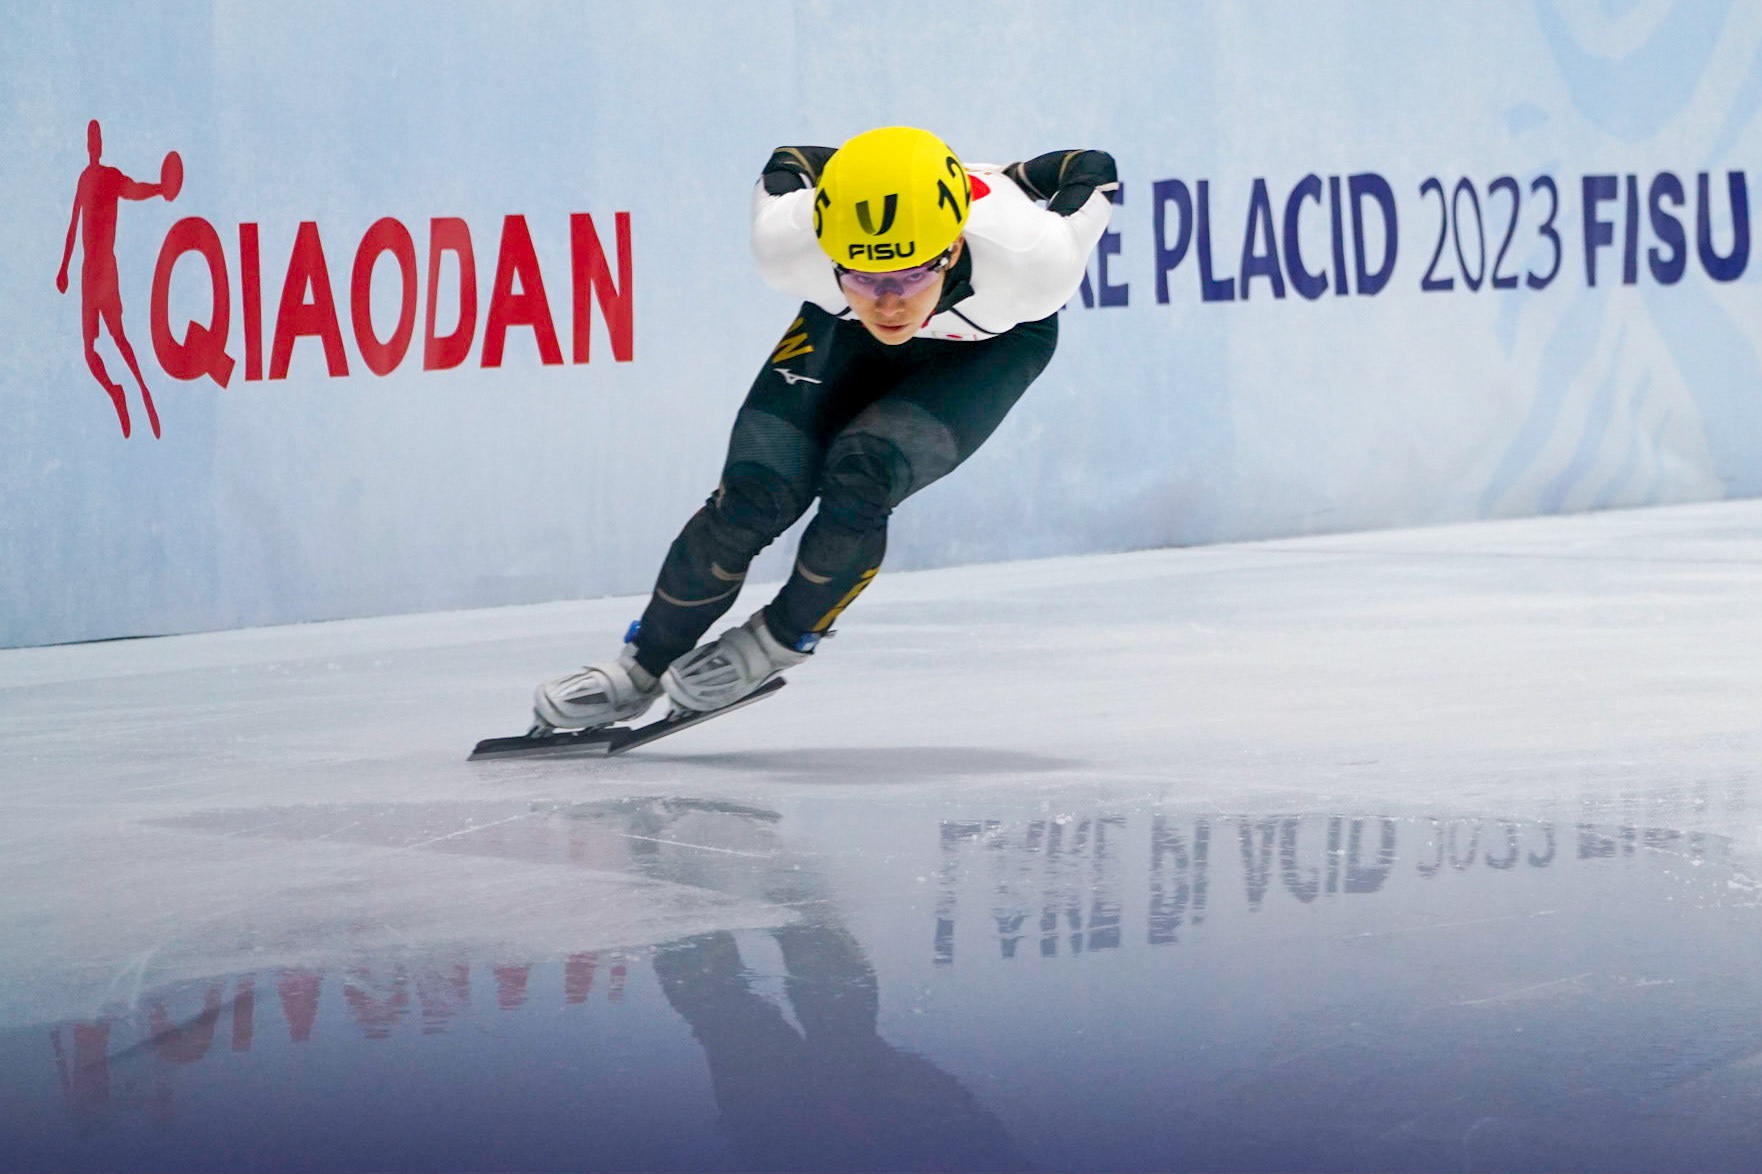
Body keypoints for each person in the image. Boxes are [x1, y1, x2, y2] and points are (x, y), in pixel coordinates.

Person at [533, 126, 1116, 731]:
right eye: (863, 278)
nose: (889, 304)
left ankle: (778, 639)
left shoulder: (1030, 258)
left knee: (862, 476)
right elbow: (789, 158)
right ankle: (640, 666)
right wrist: (860, 179)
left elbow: (1092, 168)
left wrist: (1017, 178)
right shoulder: (789, 243)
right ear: (832, 254)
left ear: (949, 251)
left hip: (989, 346)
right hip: (842, 334)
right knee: (752, 494)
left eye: (910, 277)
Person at [56, 119, 172, 439]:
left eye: (97, 138)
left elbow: (134, 191)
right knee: (90, 353)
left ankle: (142, 387)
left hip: (105, 268)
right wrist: (64, 267)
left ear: (101, 144)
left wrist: (161, 188)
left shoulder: (110, 177)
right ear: (88, 145)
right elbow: (72, 226)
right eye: (91, 138)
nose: (94, 143)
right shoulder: (84, 179)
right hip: (86, 273)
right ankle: (117, 393)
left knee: (119, 338)